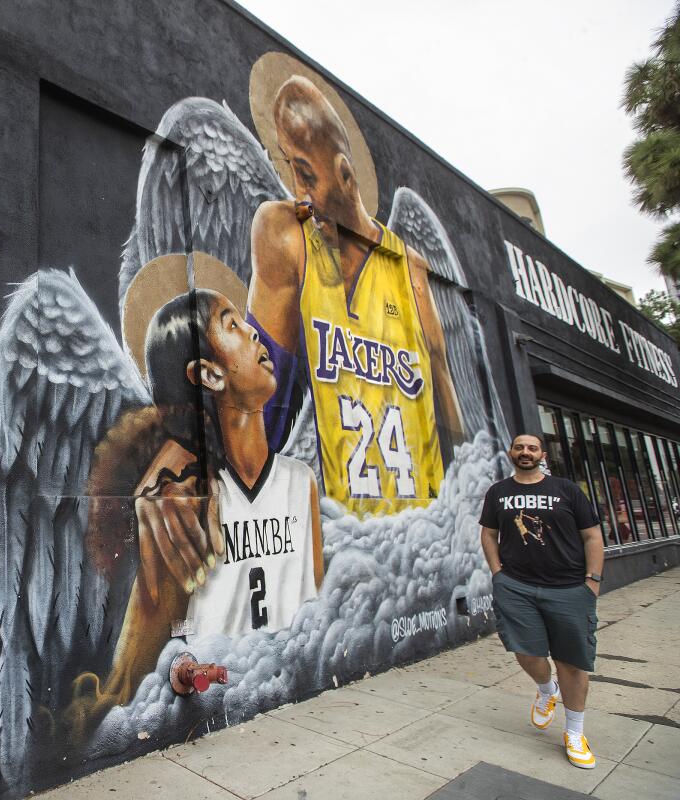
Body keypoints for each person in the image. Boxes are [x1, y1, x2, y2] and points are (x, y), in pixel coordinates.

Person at [71, 289, 323, 727]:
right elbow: (130, 685)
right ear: (209, 374)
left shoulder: (301, 482)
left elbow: (319, 614)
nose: (254, 332)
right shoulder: (183, 506)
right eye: (232, 324)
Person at [250, 75, 464, 514]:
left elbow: (453, 431)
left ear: (346, 175)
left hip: (419, 533)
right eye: (289, 168)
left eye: (307, 174)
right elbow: (259, 408)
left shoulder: (409, 269)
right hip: (341, 542)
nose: (299, 193)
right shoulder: (286, 235)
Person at [480, 433, 604, 770]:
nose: (525, 452)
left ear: (542, 454)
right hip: (516, 587)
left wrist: (591, 581)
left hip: (568, 588)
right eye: (519, 447)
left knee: (571, 662)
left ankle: (575, 733)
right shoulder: (499, 492)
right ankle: (547, 690)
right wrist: (497, 574)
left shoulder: (566, 490)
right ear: (511, 453)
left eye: (532, 447)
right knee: (527, 652)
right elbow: (489, 534)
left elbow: (592, 535)